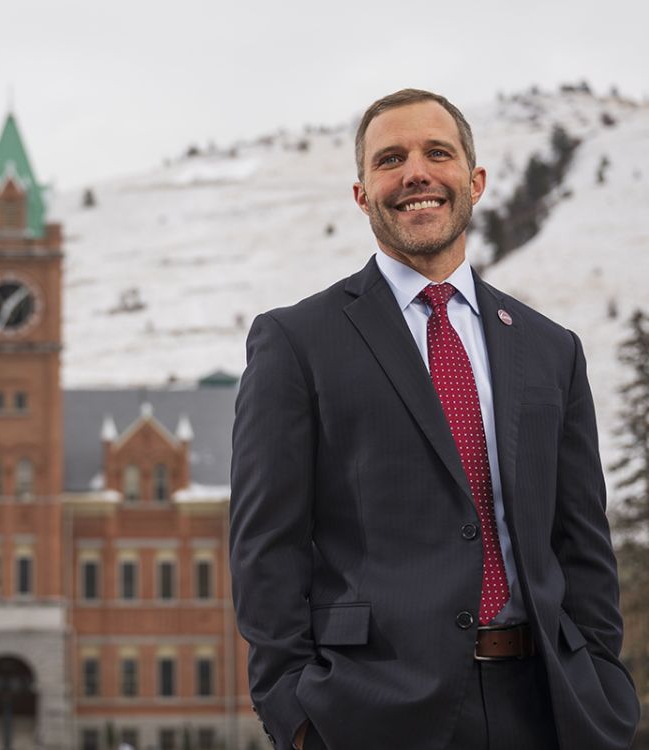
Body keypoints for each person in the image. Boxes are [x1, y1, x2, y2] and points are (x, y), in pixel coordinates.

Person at [229, 89, 641, 750]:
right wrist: (297, 716)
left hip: (548, 710)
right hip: (369, 715)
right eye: (390, 159)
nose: (416, 172)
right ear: (362, 194)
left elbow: (582, 541)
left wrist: (600, 687)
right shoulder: (295, 343)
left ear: (473, 182)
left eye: (437, 153)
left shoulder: (551, 348)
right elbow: (264, 550)